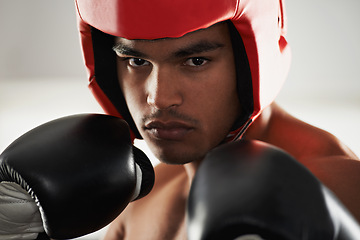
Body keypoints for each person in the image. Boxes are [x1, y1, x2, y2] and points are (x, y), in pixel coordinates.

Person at [74, 0, 360, 239]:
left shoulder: (342, 188)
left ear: (252, 62)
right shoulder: (141, 201)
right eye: (137, 61)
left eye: (196, 61)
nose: (159, 98)